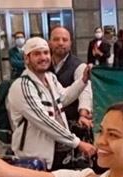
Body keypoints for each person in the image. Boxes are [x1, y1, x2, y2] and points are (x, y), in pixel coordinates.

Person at [6, 37, 95, 169]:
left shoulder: (50, 78)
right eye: (37, 54)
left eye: (46, 53)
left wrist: (83, 80)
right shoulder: (22, 86)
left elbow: (63, 98)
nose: (43, 57)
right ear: (26, 59)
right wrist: (77, 143)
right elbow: (44, 120)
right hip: (35, 158)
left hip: (59, 153)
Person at [48, 27, 92, 135]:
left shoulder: (79, 66)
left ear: (71, 43)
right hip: (49, 122)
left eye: (65, 39)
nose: (60, 43)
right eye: (56, 39)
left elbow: (85, 92)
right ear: (49, 42)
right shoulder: (44, 64)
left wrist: (83, 114)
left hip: (71, 123)